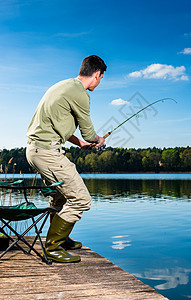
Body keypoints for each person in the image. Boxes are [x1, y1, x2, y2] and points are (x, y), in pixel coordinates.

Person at [26, 55, 107, 263]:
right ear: (97, 74)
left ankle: (62, 239)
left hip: (35, 150)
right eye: (101, 78)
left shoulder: (62, 86)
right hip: (47, 152)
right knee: (81, 199)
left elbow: (58, 123)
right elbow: (90, 134)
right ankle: (53, 247)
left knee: (61, 196)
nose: (99, 82)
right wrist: (97, 140)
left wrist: (79, 143)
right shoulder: (80, 94)